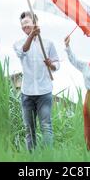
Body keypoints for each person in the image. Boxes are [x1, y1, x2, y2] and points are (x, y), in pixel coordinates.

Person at [13, 11, 60, 151]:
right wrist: (32, 35)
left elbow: (57, 64)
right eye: (22, 25)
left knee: (46, 126)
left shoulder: (48, 43)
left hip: (44, 91)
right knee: (29, 130)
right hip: (27, 93)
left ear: (35, 23)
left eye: (27, 22)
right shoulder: (18, 43)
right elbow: (23, 52)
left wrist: (51, 64)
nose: (24, 26)